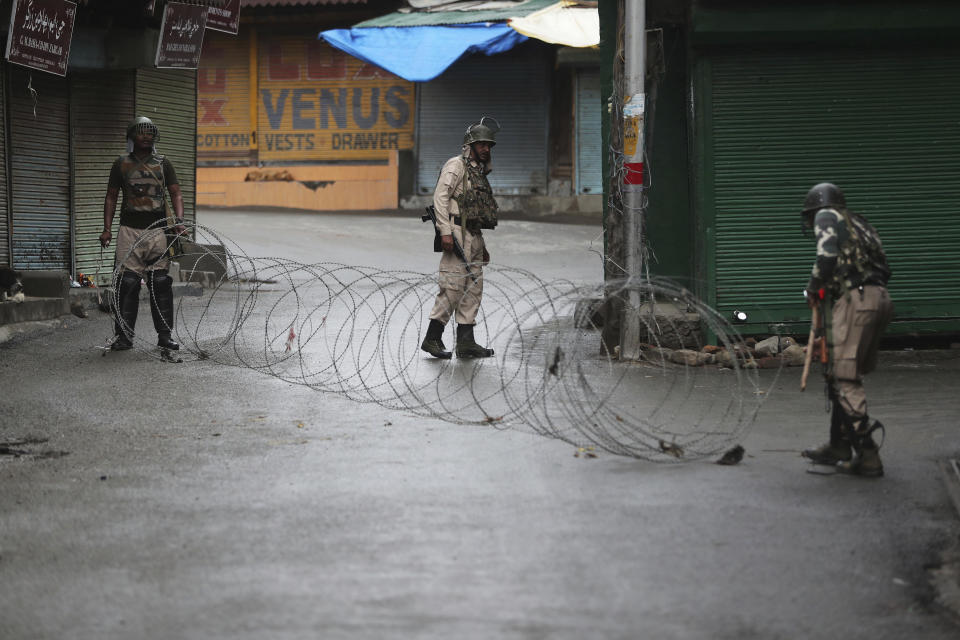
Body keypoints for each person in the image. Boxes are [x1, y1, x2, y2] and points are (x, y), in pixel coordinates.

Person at [800, 183, 893, 477]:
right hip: (878, 298)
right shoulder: (859, 223)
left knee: (843, 377)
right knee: (837, 370)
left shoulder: (826, 215)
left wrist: (813, 287)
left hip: (857, 300)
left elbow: (826, 258)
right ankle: (838, 445)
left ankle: (868, 456)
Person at [100, 116, 185, 351]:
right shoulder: (121, 164)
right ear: (132, 136)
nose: (147, 136)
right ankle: (124, 337)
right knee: (127, 284)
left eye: (150, 132)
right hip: (129, 231)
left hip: (157, 232)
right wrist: (107, 229)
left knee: (160, 283)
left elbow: (176, 193)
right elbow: (111, 197)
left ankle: (165, 336)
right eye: (142, 132)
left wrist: (179, 221)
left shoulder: (163, 163)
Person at [420, 117, 501, 359]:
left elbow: (474, 211)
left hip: (473, 235)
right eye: (481, 144)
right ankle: (432, 338)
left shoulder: (477, 173)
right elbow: (440, 198)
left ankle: (466, 342)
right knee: (453, 287)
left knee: (473, 289)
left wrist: (482, 245)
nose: (486, 149)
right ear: (470, 145)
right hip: (456, 232)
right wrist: (445, 231)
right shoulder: (456, 166)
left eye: (488, 145)